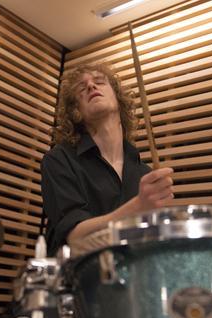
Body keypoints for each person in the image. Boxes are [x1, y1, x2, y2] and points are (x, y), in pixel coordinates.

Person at [41, 62, 174, 256]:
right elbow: (77, 239)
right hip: (78, 279)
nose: (90, 86)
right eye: (81, 87)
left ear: (118, 99)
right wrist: (139, 206)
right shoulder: (58, 160)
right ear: (75, 110)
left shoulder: (144, 174)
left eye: (99, 81)